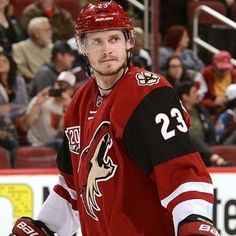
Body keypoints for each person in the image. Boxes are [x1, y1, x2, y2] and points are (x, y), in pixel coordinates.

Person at [11, 1, 219, 236]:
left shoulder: (146, 93)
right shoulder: (79, 103)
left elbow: (180, 169)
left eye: (113, 39)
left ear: (128, 41)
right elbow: (72, 188)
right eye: (96, 41)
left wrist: (193, 220)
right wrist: (45, 227)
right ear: (82, 46)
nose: (106, 49)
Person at [175, 80, 231, 167]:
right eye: (194, 92)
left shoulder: (200, 110)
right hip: (187, 150)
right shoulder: (176, 114)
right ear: (185, 96)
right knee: (188, 134)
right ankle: (215, 159)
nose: (197, 94)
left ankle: (214, 157)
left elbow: (211, 131)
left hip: (207, 145)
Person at [22, 71, 76, 151]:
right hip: (37, 144)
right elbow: (25, 126)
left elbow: (72, 133)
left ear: (71, 91)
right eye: (60, 84)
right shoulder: (41, 100)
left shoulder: (70, 106)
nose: (61, 89)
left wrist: (70, 108)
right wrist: (37, 105)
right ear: (54, 85)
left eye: (65, 87)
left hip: (58, 145)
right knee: (60, 143)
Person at [12, 17, 53, 82]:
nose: (50, 32)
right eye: (47, 30)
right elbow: (22, 71)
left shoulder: (51, 47)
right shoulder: (20, 48)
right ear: (36, 34)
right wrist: (40, 80)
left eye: (50, 29)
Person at [200, 50, 236, 117]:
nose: (224, 72)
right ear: (214, 66)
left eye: (227, 69)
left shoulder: (234, 74)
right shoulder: (205, 74)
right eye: (221, 69)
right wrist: (213, 103)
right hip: (210, 113)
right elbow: (197, 100)